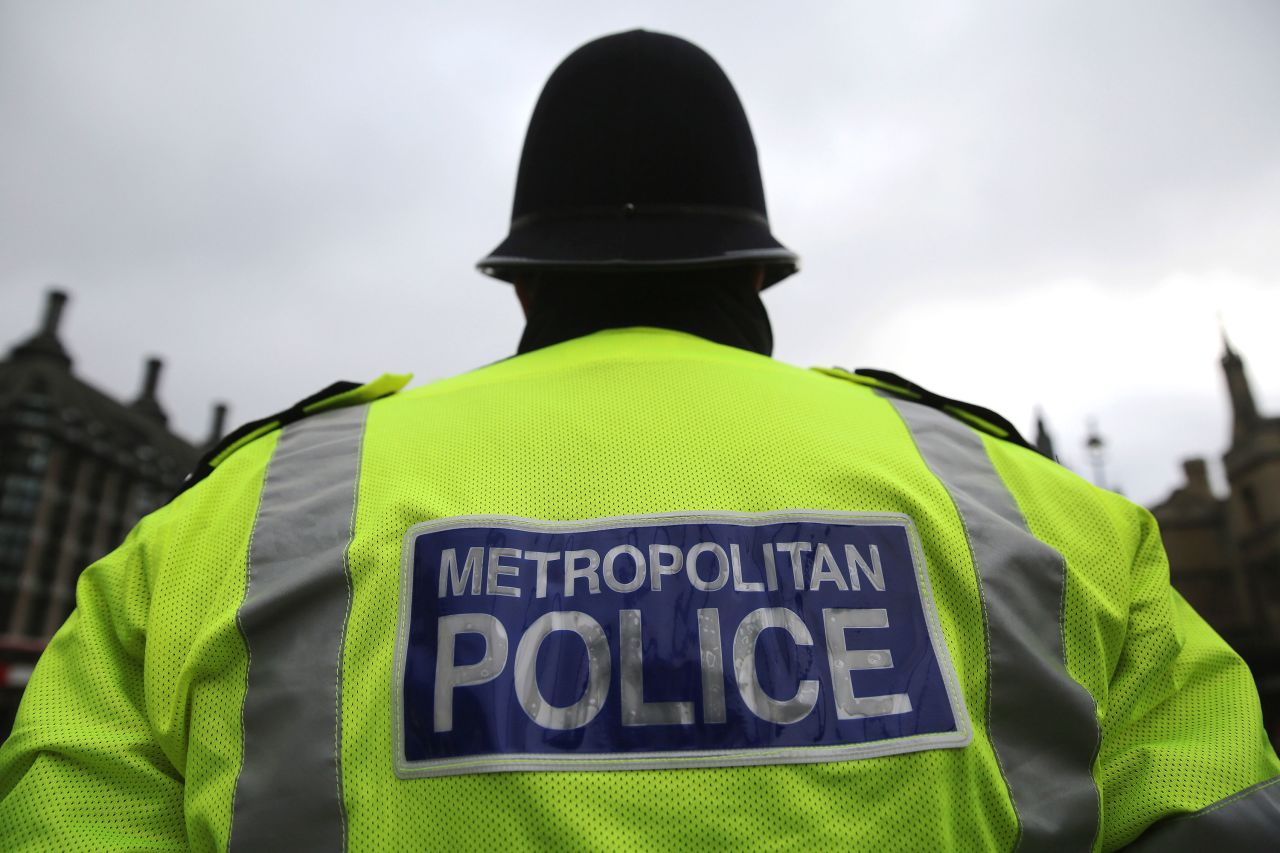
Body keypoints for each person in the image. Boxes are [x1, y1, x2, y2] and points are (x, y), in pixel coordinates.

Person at [1, 28, 1276, 852]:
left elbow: (65, 809)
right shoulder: (1035, 514)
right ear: (756, 275)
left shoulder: (245, 517)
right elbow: (1222, 812)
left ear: (521, 284)